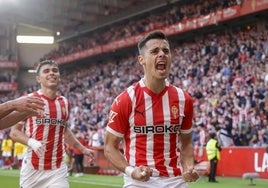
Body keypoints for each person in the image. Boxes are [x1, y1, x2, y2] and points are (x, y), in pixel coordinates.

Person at [104, 30, 199, 188]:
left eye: (166, 51)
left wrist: (189, 167)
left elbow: (187, 143)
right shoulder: (126, 99)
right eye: (155, 51)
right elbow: (109, 147)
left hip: (175, 180)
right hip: (139, 182)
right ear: (141, 60)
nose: (162, 54)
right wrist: (130, 171)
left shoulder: (184, 99)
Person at [9, 59, 95, 188]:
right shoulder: (28, 101)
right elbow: (14, 132)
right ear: (38, 79)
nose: (52, 73)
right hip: (33, 169)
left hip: (57, 169)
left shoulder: (65, 103)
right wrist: (32, 142)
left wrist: (82, 148)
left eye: (55, 71)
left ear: (59, 77)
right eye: (46, 71)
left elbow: (64, 130)